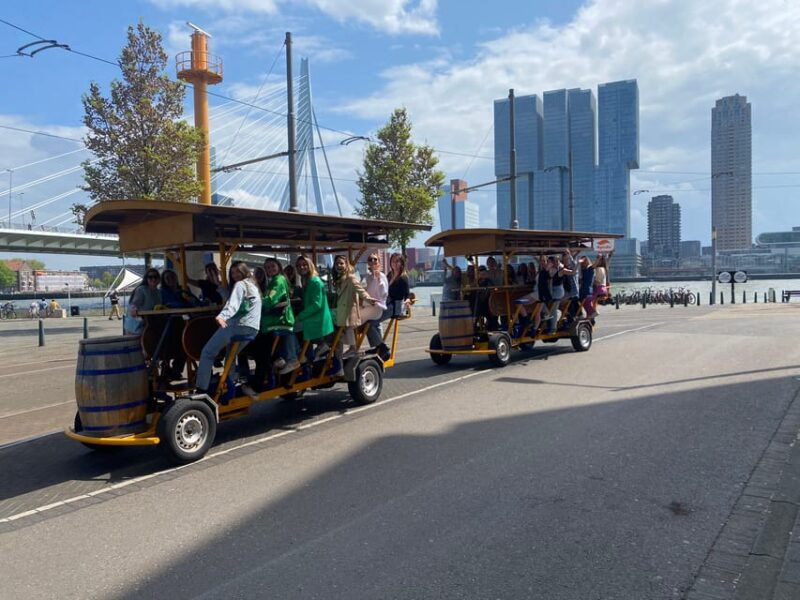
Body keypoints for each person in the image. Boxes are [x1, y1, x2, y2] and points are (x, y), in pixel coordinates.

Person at [196, 261, 261, 395]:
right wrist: (218, 285)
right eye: (232, 272)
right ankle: (229, 383)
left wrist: (222, 316)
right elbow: (233, 299)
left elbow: (232, 303)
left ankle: (201, 388)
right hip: (252, 328)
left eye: (238, 271)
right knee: (230, 354)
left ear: (245, 271)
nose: (235, 275)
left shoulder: (240, 284)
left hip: (236, 326)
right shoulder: (253, 285)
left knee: (207, 353)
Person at [331, 255, 376, 377]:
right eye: (337, 264)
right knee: (339, 339)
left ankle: (352, 350)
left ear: (346, 265)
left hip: (349, 311)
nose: (339, 266)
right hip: (341, 312)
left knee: (347, 330)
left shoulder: (350, 278)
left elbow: (360, 290)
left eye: (341, 263)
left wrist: (369, 299)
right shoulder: (338, 280)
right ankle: (339, 366)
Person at [294, 254, 334, 361]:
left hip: (317, 319)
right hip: (314, 317)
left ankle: (299, 356)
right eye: (299, 266)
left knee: (292, 328)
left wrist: (299, 316)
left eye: (304, 265)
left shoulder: (314, 281)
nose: (301, 267)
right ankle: (306, 356)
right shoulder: (306, 281)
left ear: (310, 265)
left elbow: (316, 304)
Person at [361, 252, 390, 358]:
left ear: (379, 262)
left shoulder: (382, 276)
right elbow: (362, 289)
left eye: (375, 259)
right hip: (368, 306)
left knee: (356, 321)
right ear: (368, 263)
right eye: (370, 259)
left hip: (377, 307)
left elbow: (384, 294)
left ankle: (380, 346)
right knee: (372, 324)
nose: (372, 261)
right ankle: (380, 347)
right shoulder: (367, 276)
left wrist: (378, 279)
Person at [384, 253, 410, 320]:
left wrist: (407, 300)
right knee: (373, 317)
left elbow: (407, 294)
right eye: (393, 261)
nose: (394, 263)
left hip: (394, 308)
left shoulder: (403, 277)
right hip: (386, 303)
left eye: (397, 261)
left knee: (373, 320)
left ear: (401, 263)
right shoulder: (389, 274)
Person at [586, 254, 610, 319]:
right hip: (603, 289)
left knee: (587, 300)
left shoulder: (598, 269)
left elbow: (597, 281)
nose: (596, 260)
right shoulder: (604, 268)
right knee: (592, 301)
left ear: (600, 260)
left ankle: (592, 312)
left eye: (597, 258)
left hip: (598, 288)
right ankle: (591, 314)